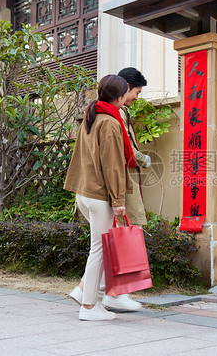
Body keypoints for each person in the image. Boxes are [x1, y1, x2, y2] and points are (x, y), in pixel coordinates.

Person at [63, 74, 142, 321]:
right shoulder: (109, 122)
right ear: (119, 96)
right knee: (99, 250)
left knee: (103, 250)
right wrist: (118, 201)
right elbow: (113, 165)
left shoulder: (92, 116)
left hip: (85, 192)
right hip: (99, 196)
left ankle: (90, 293)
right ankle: (88, 307)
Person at [117, 67, 151, 225]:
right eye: (137, 92)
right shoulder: (118, 112)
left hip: (120, 177)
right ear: (127, 87)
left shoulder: (120, 110)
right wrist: (143, 159)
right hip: (120, 178)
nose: (137, 97)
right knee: (125, 226)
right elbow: (126, 145)